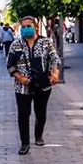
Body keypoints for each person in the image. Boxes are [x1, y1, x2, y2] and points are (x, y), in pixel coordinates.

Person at [7, 16, 61, 155]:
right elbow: (10, 65)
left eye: (28, 26)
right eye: (23, 27)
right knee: (23, 115)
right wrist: (20, 78)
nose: (26, 29)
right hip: (22, 86)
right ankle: (25, 143)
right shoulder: (16, 45)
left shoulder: (46, 42)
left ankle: (38, 135)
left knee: (40, 113)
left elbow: (54, 59)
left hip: (43, 85)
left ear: (36, 27)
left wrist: (55, 73)